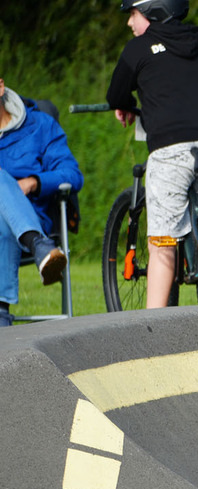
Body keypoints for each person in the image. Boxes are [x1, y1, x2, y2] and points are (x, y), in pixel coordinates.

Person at [106, 0, 198, 308]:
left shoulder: (138, 48)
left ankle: (151, 327)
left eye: (132, 14)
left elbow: (115, 95)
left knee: (162, 243)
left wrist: (127, 105)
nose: (129, 23)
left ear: (152, 12)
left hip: (171, 149)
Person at [0, 78, 83, 327]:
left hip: (33, 214)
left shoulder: (40, 126)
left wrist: (34, 182)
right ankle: (38, 245)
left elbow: (72, 174)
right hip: (32, 238)